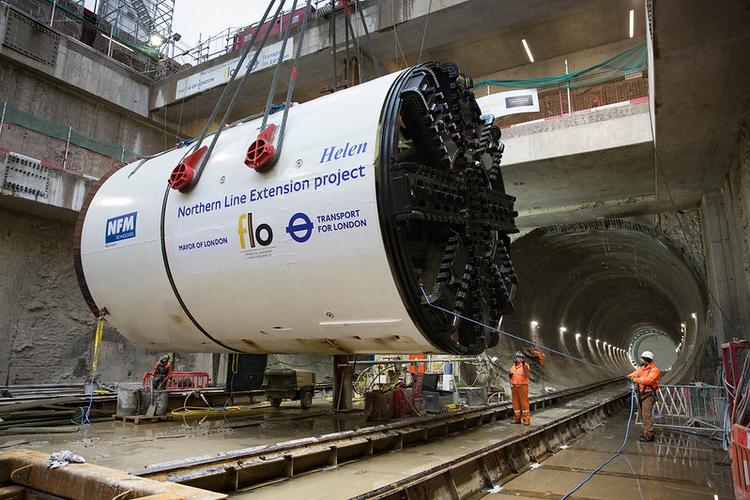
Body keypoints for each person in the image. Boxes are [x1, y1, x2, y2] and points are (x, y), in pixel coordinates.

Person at [628, 351, 661, 442]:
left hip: (649, 395)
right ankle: (647, 431)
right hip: (641, 395)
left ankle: (649, 434)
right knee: (642, 414)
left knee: (646, 415)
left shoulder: (655, 369)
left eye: (642, 358)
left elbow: (649, 380)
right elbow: (634, 374)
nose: (641, 360)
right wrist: (629, 376)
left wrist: (636, 380)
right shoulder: (642, 368)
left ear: (646, 359)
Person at [509, 351, 531, 425]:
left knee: (524, 403)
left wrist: (524, 363)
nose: (519, 359)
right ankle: (517, 419)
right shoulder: (513, 366)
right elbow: (511, 375)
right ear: (516, 358)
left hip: (523, 387)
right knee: (516, 404)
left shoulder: (525, 365)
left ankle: (526, 419)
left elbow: (526, 370)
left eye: (521, 358)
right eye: (518, 357)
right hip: (514, 387)